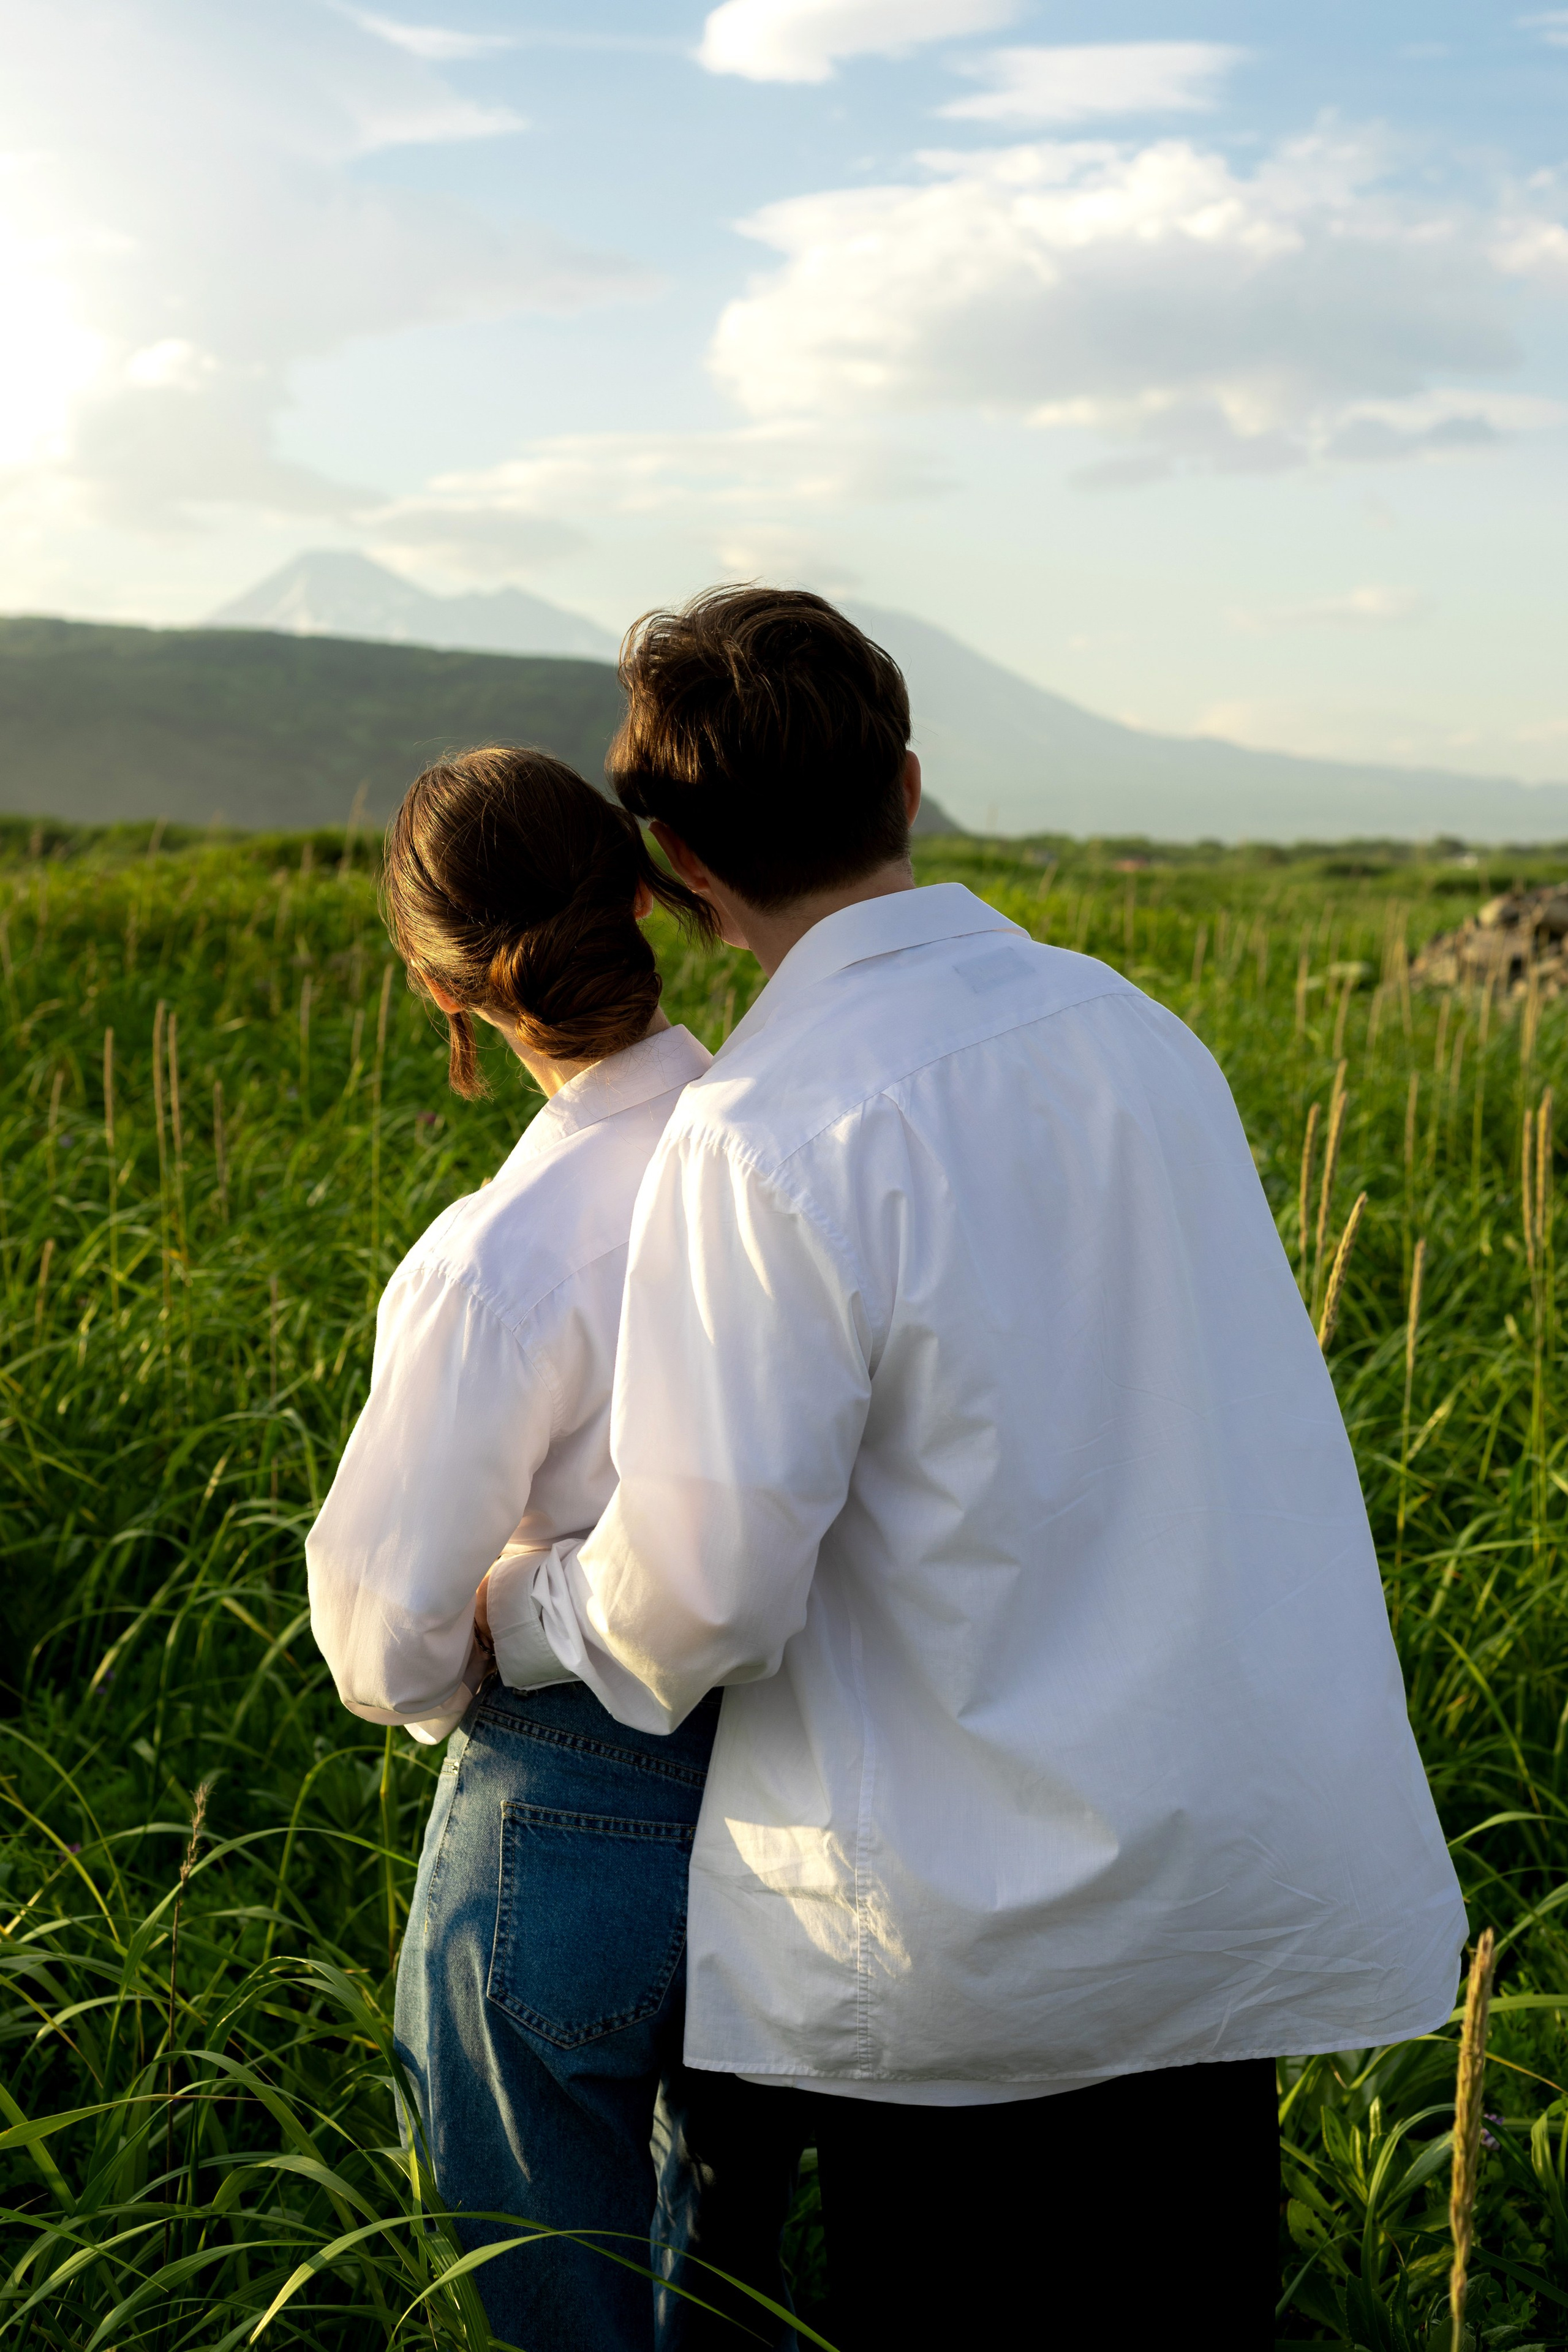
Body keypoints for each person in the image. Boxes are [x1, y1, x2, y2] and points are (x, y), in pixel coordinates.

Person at [491, 589, 1469, 2349]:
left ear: (682, 872)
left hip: (969, 1971)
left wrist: (526, 1609)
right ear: (915, 785)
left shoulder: (765, 1130)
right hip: (1215, 1899)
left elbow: (700, 1595)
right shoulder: (1136, 1035)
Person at [304, 745, 725, 2352]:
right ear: (641, 892)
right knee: (728, 2284)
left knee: (547, 2298)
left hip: (564, 1801)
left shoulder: (498, 1261)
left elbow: (383, 1632)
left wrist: (487, 1621)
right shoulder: (796, 1160)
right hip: (807, 1772)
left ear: (444, 993)